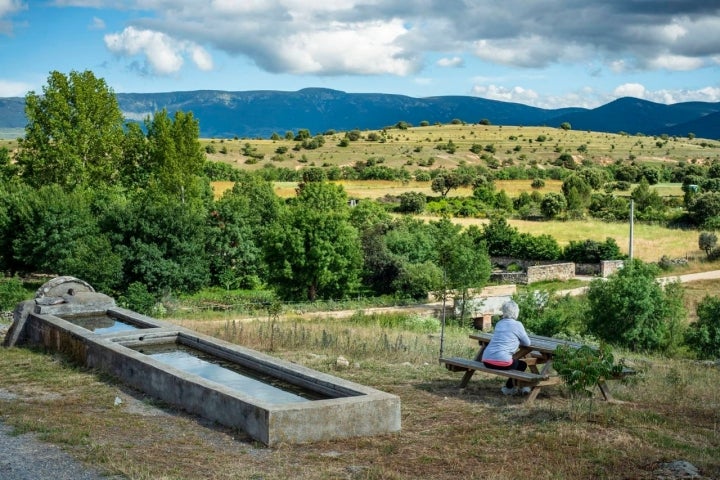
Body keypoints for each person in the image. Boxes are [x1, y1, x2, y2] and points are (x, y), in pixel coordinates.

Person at [481, 300, 532, 395]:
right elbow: (527, 343)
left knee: (516, 362)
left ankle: (521, 387)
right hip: (502, 362)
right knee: (522, 365)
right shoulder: (518, 325)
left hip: (486, 360)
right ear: (516, 312)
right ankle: (509, 388)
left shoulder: (499, 323)